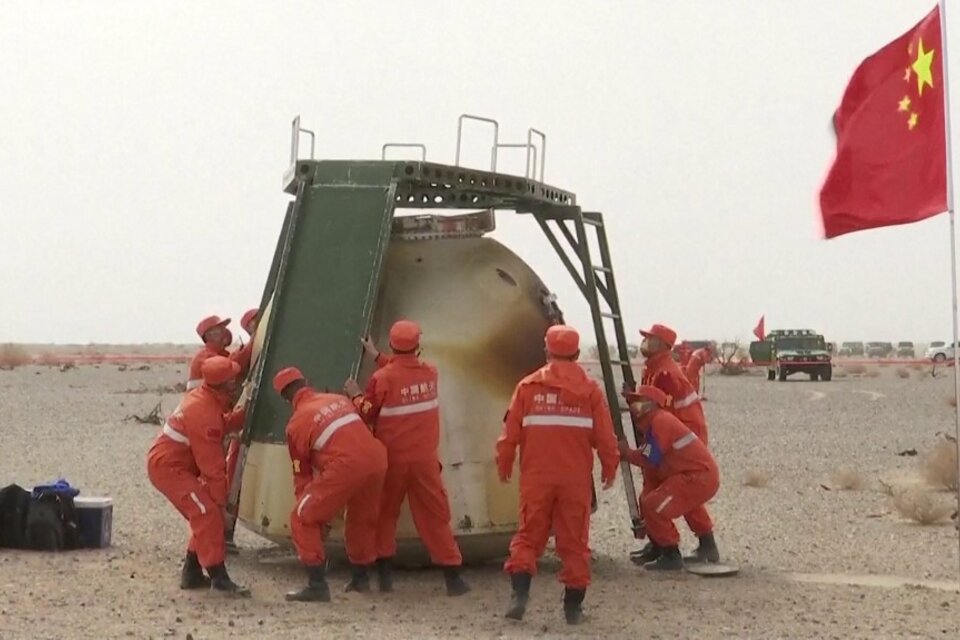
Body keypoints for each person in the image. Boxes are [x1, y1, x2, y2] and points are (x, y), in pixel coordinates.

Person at [495, 325, 619, 625]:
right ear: (577, 354)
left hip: (536, 478)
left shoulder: (527, 387)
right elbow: (605, 437)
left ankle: (519, 597)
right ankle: (573, 610)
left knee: (528, 536)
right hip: (574, 480)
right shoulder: (590, 391)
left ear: (547, 350)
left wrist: (504, 463)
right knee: (574, 543)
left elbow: (509, 433)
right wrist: (609, 466)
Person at [344, 319, 470, 597]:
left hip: (392, 461)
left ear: (391, 344)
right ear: (418, 346)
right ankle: (454, 579)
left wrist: (354, 395)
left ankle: (385, 578)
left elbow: (367, 410)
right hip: (425, 461)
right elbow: (405, 370)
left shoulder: (382, 379)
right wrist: (378, 357)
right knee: (436, 518)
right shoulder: (430, 373)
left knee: (384, 516)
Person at [274, 367, 388, 602]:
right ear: (307, 381)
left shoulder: (295, 426)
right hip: (377, 458)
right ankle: (360, 579)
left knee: (301, 517)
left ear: (285, 398)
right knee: (361, 518)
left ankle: (317, 585)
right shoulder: (337, 399)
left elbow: (302, 476)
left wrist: (315, 517)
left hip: (346, 466)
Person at [146, 356, 250, 597]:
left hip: (172, 464)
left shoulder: (205, 400)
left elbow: (220, 423)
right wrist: (222, 505)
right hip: (169, 468)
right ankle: (219, 578)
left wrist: (243, 415)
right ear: (225, 385)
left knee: (203, 513)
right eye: (233, 379)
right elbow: (212, 468)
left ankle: (192, 573)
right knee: (207, 513)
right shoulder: (203, 412)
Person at [626, 323, 716, 566]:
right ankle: (661, 542)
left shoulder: (665, 373)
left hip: (679, 439)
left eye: (650, 339)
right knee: (658, 488)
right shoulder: (655, 368)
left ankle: (675, 547)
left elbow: (658, 409)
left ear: (662, 345)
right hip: (674, 437)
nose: (645, 343)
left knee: (676, 492)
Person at [619, 386, 720, 571]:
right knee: (680, 503)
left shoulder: (660, 422)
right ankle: (706, 546)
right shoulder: (656, 423)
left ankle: (670, 553)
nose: (634, 408)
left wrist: (626, 453)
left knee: (653, 505)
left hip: (697, 476)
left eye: (637, 403)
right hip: (698, 475)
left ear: (650, 406)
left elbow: (650, 457)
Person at [187, 316, 232, 391]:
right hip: (204, 400)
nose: (225, 332)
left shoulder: (222, 353)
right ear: (208, 335)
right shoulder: (206, 356)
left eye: (224, 328)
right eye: (219, 329)